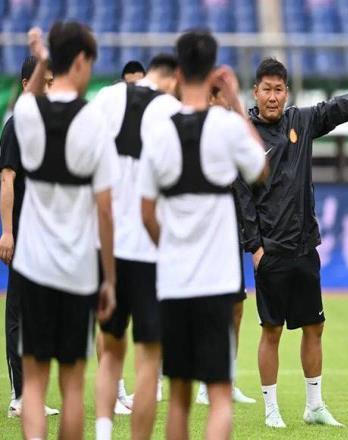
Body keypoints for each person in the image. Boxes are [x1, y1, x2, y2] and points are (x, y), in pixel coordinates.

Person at [233, 57, 348, 428]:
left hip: (305, 248)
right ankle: (271, 409)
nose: (273, 97)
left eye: (279, 89)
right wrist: (255, 247)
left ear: (287, 93)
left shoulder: (301, 121)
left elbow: (335, 109)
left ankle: (314, 406)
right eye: (267, 89)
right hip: (271, 252)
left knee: (314, 326)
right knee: (272, 331)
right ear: (255, 92)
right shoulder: (244, 135)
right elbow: (242, 195)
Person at [140, 30, 268, 440]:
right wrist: (235, 103)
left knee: (179, 396)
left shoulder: (158, 132)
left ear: (177, 74)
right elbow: (260, 169)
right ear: (214, 73)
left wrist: (169, 247)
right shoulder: (227, 127)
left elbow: (146, 212)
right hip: (216, 283)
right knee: (219, 396)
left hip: (174, 281)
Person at [12, 23, 116, 440]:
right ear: (81, 61)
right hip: (78, 270)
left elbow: (26, 98)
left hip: (33, 267)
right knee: (72, 384)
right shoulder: (95, 121)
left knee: (34, 384)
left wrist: (41, 59)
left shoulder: (27, 114)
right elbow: (105, 210)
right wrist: (109, 278)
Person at [93, 53, 180, 440]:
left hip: (107, 247)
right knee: (147, 357)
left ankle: (103, 434)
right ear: (174, 79)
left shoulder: (107, 98)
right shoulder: (172, 111)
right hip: (149, 252)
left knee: (111, 351)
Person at [0, 55, 57, 419]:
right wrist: (7, 231)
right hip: (21, 233)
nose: (50, 89)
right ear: (26, 85)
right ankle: (19, 396)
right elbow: (7, 179)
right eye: (44, 82)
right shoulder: (16, 127)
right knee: (20, 311)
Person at [195, 85, 256, 406]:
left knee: (235, 306)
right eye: (216, 97)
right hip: (202, 232)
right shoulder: (193, 131)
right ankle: (205, 381)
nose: (220, 103)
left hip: (230, 230)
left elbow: (254, 169)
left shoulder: (232, 132)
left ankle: (227, 378)